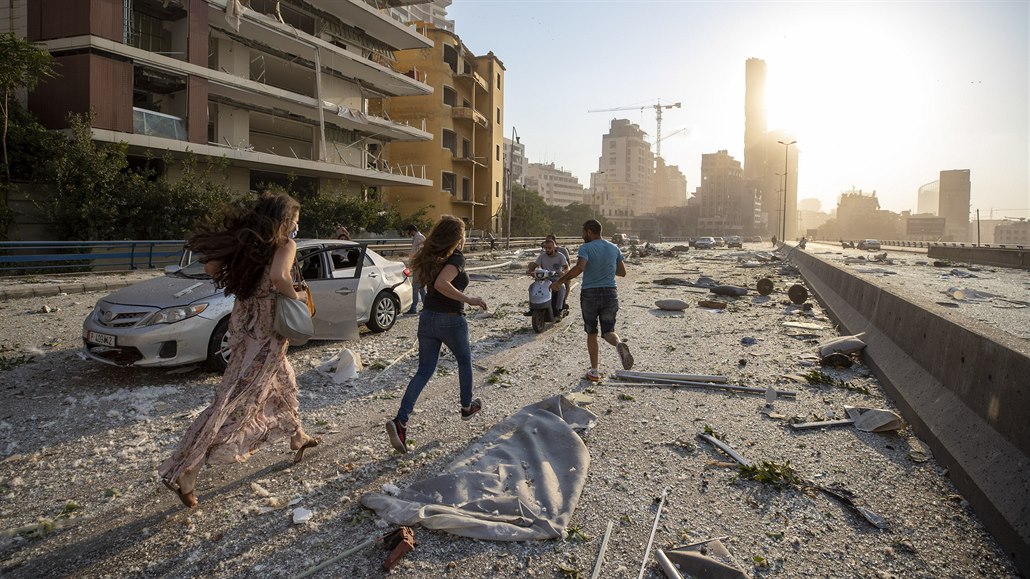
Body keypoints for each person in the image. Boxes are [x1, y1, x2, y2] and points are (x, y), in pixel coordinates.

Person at [159, 193, 320, 508]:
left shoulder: (250, 246)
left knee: (285, 384)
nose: (296, 228)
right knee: (236, 402)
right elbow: (278, 277)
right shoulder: (285, 246)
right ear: (284, 222)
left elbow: (210, 267)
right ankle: (188, 469)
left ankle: (297, 436)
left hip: (245, 328)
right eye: (295, 223)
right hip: (267, 336)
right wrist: (296, 297)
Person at [387, 216, 489, 454]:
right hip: (451, 320)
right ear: (457, 237)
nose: (465, 238)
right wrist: (470, 299)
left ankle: (400, 422)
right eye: (463, 234)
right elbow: (443, 284)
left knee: (424, 371)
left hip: (427, 319)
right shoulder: (456, 258)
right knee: (464, 362)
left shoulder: (432, 258)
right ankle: (466, 407)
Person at [551, 219, 633, 382]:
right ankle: (618, 345)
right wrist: (606, 266)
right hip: (610, 292)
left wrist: (560, 282)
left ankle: (594, 371)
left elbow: (580, 267)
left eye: (583, 232)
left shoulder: (586, 248)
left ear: (589, 231)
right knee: (608, 330)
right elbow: (622, 272)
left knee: (592, 332)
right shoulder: (613, 248)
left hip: (590, 293)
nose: (582, 235)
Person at [526, 238, 569, 312]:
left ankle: (558, 309)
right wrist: (530, 271)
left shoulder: (560, 256)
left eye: (549, 248)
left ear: (554, 247)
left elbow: (566, 267)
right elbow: (535, 265)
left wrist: (563, 272)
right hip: (543, 279)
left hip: (556, 278)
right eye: (546, 248)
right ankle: (532, 308)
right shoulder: (542, 256)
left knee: (562, 288)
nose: (547, 250)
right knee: (531, 287)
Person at [404, 224, 427, 314]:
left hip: (420, 266)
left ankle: (413, 308)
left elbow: (421, 254)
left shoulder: (419, 238)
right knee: (421, 288)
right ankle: (426, 307)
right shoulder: (417, 238)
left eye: (408, 231)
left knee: (415, 287)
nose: (408, 233)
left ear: (412, 230)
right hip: (418, 266)